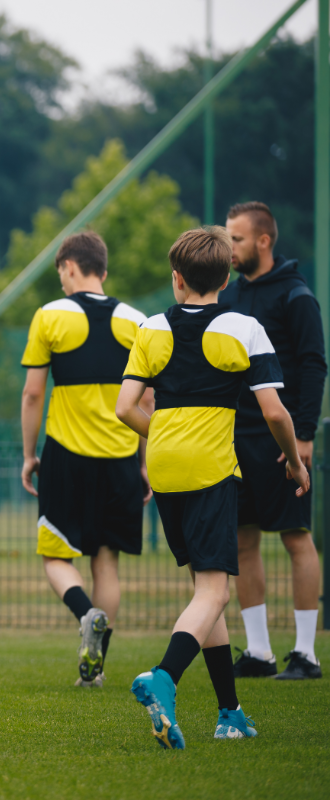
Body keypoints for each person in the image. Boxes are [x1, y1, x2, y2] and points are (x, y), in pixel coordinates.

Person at [116, 226, 309, 749]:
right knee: (215, 589)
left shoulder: (152, 328)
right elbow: (273, 410)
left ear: (176, 278)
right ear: (226, 276)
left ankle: (230, 712)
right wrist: (294, 461)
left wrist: (166, 437)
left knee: (206, 589)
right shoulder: (244, 326)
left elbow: (124, 407)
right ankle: (164, 677)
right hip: (210, 467)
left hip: (163, 462)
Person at [19, 232, 151, 687]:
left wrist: (28, 453)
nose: (60, 280)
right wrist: (144, 461)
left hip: (67, 457)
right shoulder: (137, 320)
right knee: (106, 562)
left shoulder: (49, 316)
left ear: (70, 267)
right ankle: (96, 670)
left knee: (55, 556)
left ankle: (84, 612)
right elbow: (147, 399)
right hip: (120, 459)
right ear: (105, 271)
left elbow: (34, 391)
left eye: (60, 272)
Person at [218, 202, 324, 680]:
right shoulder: (231, 295)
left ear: (263, 241)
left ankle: (306, 654)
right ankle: (258, 653)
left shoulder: (297, 295)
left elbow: (313, 364)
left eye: (236, 239)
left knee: (296, 538)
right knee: (243, 542)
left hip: (282, 439)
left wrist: (302, 434)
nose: (229, 247)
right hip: (235, 440)